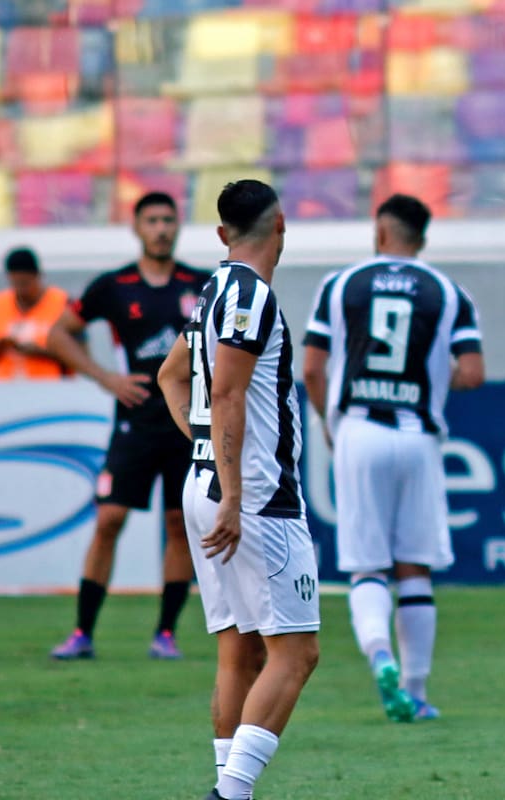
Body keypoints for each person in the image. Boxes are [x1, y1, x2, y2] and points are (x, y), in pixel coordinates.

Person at [158, 179, 319, 800]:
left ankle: (229, 788)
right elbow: (226, 392)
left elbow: (170, 376)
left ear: (223, 233)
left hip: (208, 483)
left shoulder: (211, 292)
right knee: (296, 653)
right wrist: (231, 492)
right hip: (252, 498)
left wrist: (204, 449)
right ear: (281, 225)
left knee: (240, 650)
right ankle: (230, 794)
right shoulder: (250, 295)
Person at [302, 193, 484, 723]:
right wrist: (433, 378)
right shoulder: (448, 292)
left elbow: (312, 368)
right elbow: (473, 373)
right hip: (418, 434)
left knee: (368, 567)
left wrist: (328, 421)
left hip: (359, 429)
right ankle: (416, 690)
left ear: (380, 230)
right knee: (414, 567)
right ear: (422, 238)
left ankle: (380, 655)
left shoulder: (340, 285)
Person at [46, 191, 209, 660]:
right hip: (134, 424)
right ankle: (82, 633)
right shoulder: (114, 285)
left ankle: (166, 634)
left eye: (168, 220)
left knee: (179, 524)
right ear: (136, 228)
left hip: (184, 423)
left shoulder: (200, 284)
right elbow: (58, 334)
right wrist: (106, 378)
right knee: (109, 520)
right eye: (151, 220)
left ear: (178, 226)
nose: (161, 229)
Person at [0, 246, 72, 379]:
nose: (21, 289)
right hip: (6, 387)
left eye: (25, 283)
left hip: (52, 386)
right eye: (16, 282)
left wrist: (40, 351)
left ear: (37, 275)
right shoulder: (1, 304)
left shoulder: (61, 303)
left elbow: (80, 354)